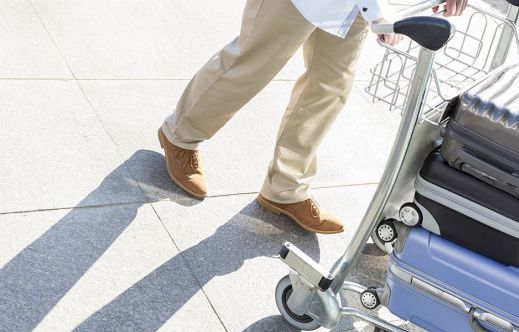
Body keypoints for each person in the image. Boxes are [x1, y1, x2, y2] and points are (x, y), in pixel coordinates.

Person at [158, 0, 466, 234]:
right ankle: (180, 136)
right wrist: (376, 12)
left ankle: (286, 187)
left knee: (329, 89)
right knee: (251, 64)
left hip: (353, 8)